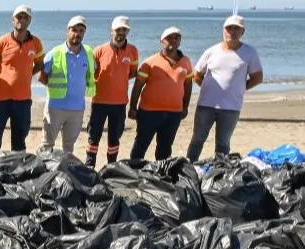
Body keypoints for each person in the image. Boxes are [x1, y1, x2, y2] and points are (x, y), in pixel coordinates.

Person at [186, 15, 263, 161]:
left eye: (236, 29)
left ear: (242, 32)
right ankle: (189, 167)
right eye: (229, 28)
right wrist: (209, 88)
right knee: (197, 140)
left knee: (223, 144)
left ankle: (220, 172)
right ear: (223, 30)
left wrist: (240, 88)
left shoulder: (249, 53)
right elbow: (196, 74)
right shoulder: (212, 51)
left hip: (231, 108)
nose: (232, 32)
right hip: (206, 106)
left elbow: (257, 78)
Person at [0, 5, 44, 156]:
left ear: (30, 20)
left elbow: (39, 64)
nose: (22, 20)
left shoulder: (36, 43)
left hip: (23, 100)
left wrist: (26, 75)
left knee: (19, 140)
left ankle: (18, 171)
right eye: (19, 17)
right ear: (13, 20)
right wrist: (1, 78)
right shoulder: (2, 42)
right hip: (0, 99)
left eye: (25, 17)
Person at [129, 27, 193, 161]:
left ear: (180, 41)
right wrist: (132, 107)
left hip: (173, 113)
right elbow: (137, 86)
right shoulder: (149, 62)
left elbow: (188, 86)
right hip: (149, 112)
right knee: (141, 145)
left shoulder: (186, 62)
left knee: (165, 148)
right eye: (169, 38)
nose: (173, 40)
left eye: (176, 38)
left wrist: (185, 107)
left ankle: (161, 175)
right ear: (162, 41)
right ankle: (134, 171)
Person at [85, 16, 138, 167]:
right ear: (111, 31)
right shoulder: (99, 51)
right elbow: (90, 73)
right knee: (93, 137)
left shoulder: (133, 51)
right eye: (118, 30)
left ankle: (111, 167)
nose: (121, 33)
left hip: (120, 103)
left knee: (114, 138)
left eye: (124, 30)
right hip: (99, 102)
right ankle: (89, 166)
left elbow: (132, 73)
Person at [38, 15, 94, 154]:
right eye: (74, 30)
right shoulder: (55, 53)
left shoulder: (88, 53)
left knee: (68, 148)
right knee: (47, 145)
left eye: (81, 30)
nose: (77, 34)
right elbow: (42, 77)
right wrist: (55, 90)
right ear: (67, 31)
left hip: (77, 109)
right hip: (55, 108)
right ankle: (46, 173)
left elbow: (92, 73)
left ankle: (64, 173)